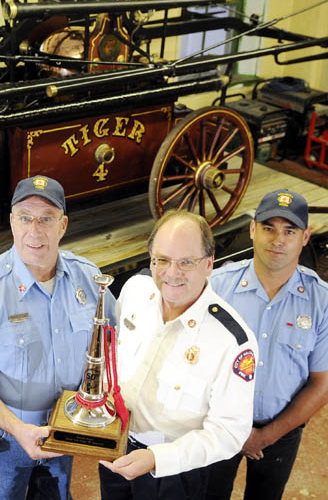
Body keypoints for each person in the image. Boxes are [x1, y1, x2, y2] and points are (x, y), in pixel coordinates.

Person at [0, 175, 116, 499]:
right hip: (3, 440)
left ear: (62, 225)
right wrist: (18, 429)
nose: (34, 231)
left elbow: (114, 346)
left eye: (46, 219)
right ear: (12, 222)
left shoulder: (90, 280)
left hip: (65, 433)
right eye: (25, 218)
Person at [205, 189, 328, 500]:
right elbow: (194, 363)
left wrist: (265, 436)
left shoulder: (323, 303)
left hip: (282, 431)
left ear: (305, 237)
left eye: (289, 231)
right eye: (268, 228)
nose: (278, 240)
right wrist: (232, 426)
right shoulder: (217, 288)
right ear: (252, 230)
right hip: (217, 424)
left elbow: (321, 385)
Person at [99, 210, 258, 500]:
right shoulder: (135, 292)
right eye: (163, 260)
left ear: (209, 264)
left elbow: (229, 432)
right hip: (115, 449)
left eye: (186, 262)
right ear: (151, 260)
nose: (172, 273)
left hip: (174, 472)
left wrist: (157, 459)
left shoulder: (231, 341)